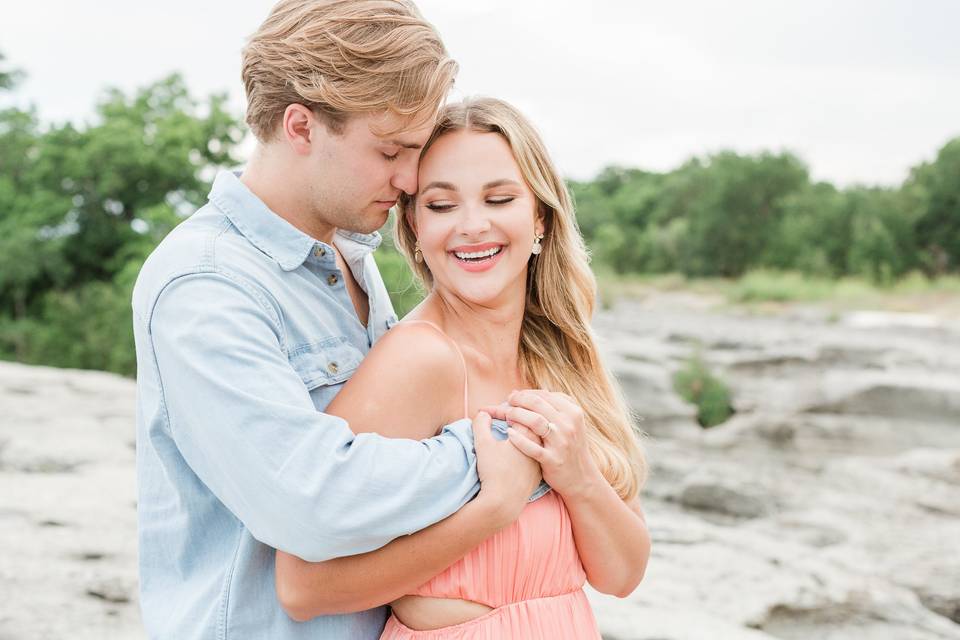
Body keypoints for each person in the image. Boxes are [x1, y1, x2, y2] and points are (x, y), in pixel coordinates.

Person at [131, 2, 542, 638]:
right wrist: (495, 448)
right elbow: (310, 501)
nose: (409, 179)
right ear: (301, 127)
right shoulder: (206, 284)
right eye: (389, 151)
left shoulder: (347, 254)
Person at [274, 97, 652, 639]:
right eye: (441, 205)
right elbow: (302, 587)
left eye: (499, 199)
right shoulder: (418, 361)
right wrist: (493, 509)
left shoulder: (562, 355)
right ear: (415, 227)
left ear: (540, 217)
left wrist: (580, 478)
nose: (472, 226)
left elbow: (622, 575)